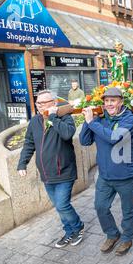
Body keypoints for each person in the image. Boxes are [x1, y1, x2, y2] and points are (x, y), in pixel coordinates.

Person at [18, 90, 84, 249]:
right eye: (38, 103)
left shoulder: (64, 117)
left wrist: (53, 117)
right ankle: (69, 232)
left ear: (54, 103)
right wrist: (22, 163)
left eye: (44, 103)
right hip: (46, 174)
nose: (40, 106)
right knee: (59, 207)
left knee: (62, 205)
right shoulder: (34, 122)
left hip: (64, 172)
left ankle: (78, 226)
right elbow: (29, 143)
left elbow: (68, 134)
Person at [79, 87, 133, 256]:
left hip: (125, 174)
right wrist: (87, 120)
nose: (109, 104)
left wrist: (92, 123)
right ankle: (112, 234)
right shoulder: (99, 119)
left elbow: (114, 137)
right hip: (105, 175)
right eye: (106, 101)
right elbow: (84, 141)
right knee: (100, 207)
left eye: (113, 100)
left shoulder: (130, 119)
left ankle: (127, 238)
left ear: (121, 102)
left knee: (127, 210)